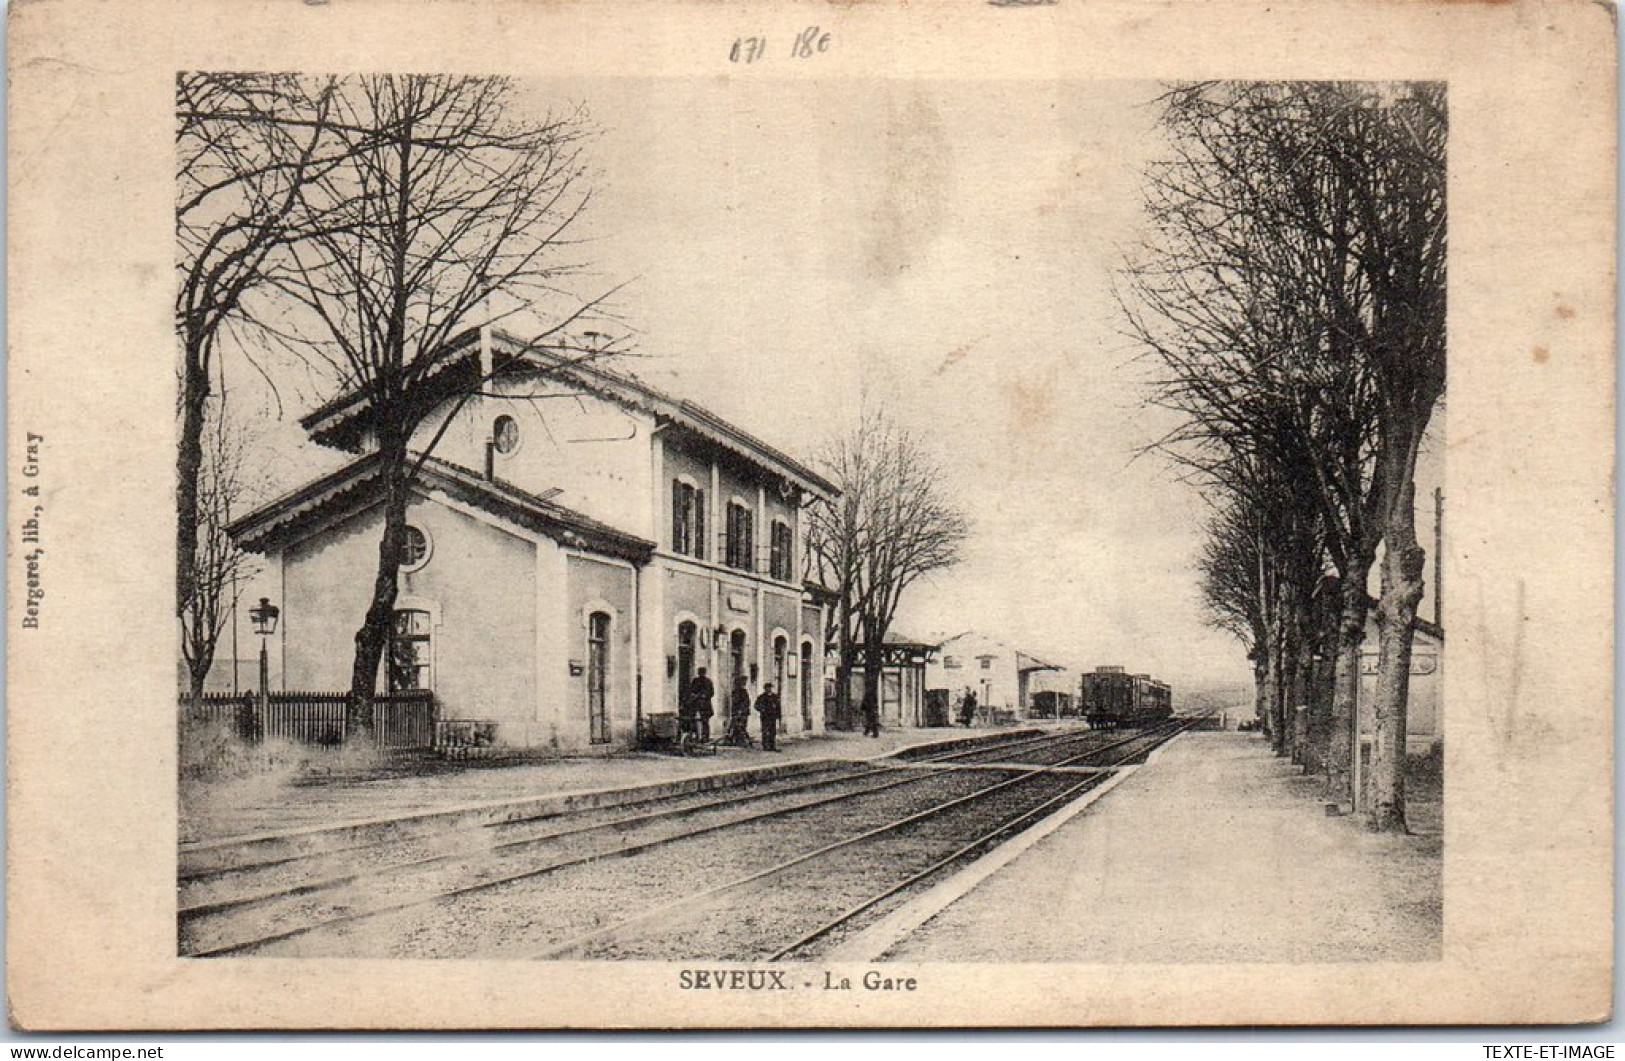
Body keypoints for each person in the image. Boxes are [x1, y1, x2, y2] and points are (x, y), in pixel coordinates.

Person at [685, 668, 715, 743]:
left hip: (705, 706)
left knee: (705, 722)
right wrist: (694, 696)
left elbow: (711, 693)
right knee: (694, 721)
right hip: (696, 705)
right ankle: (696, 737)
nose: (701, 674)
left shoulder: (708, 682)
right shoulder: (695, 681)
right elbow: (691, 690)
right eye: (700, 673)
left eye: (702, 673)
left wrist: (704, 696)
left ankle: (705, 738)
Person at [754, 682, 782, 751]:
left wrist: (779, 716)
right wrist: (762, 709)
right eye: (767, 688)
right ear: (765, 689)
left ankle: (772, 746)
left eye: (770, 688)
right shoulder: (762, 697)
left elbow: (778, 707)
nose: (769, 689)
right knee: (765, 731)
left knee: (773, 732)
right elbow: (756, 705)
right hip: (765, 717)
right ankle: (766, 746)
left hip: (773, 717)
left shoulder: (775, 697)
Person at [728, 674, 752, 746]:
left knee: (742, 726)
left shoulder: (743, 692)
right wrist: (737, 711)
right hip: (737, 712)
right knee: (737, 726)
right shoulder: (736, 692)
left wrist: (742, 710)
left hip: (743, 712)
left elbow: (746, 702)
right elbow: (735, 702)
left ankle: (740, 740)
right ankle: (737, 740)